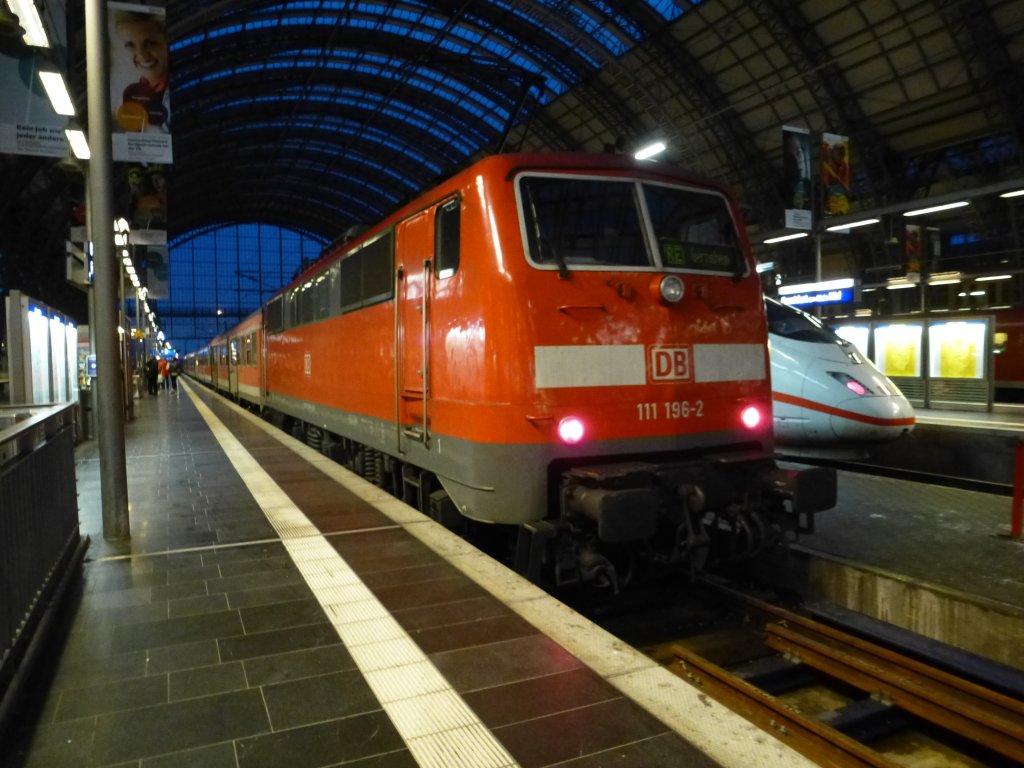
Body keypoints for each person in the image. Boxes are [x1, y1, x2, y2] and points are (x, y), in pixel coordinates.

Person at [112, 11, 170, 133]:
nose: (142, 56)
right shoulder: (122, 102)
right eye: (131, 45)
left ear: (166, 44)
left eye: (150, 44)